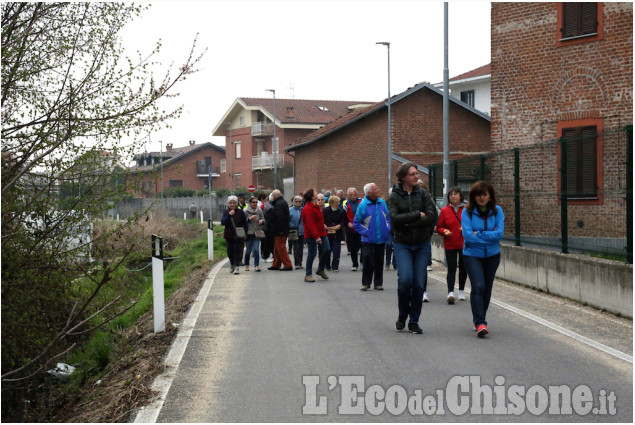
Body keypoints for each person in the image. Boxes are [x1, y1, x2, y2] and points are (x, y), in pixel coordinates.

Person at [389, 162, 436, 334]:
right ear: (403, 177)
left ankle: (414, 321)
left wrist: (408, 222)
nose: (417, 176)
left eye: (417, 173)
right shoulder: (394, 196)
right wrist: (417, 215)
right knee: (405, 281)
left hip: (422, 244)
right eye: (412, 174)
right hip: (402, 244)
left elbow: (432, 216)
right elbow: (394, 219)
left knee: (418, 284)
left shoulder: (423, 194)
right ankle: (403, 315)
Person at [462, 181, 505, 337]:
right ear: (473, 197)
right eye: (478, 195)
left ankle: (480, 318)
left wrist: (478, 234)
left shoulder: (497, 211)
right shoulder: (466, 212)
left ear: (490, 196)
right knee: (478, 286)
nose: (481, 198)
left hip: (492, 255)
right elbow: (467, 236)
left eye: (484, 194)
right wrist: (488, 236)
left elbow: (499, 234)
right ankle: (480, 322)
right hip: (472, 255)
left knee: (487, 288)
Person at [354, 183, 391, 291]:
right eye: (375, 189)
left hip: (381, 238)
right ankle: (366, 282)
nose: (378, 190)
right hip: (367, 239)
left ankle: (378, 283)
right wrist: (366, 232)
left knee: (379, 260)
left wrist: (387, 228)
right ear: (369, 193)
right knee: (368, 259)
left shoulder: (382, 203)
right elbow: (356, 222)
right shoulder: (363, 205)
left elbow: (388, 217)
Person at [437, 186, 467, 303]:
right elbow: (439, 227)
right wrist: (444, 231)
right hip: (450, 243)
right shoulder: (445, 211)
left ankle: (461, 290)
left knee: (464, 268)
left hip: (464, 243)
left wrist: (465, 228)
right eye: (451, 194)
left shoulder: (466, 209)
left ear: (460, 196)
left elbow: (473, 224)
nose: (453, 196)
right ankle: (450, 291)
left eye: (455, 194)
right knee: (452, 267)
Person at [301, 188, 331, 282]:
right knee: (312, 253)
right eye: (315, 193)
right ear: (312, 196)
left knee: (327, 250)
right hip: (311, 234)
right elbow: (311, 224)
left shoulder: (316, 206)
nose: (317, 193)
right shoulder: (308, 208)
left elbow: (318, 219)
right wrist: (316, 237)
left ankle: (320, 269)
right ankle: (308, 274)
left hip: (321, 232)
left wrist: (323, 224)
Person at [418, 180, 438, 302]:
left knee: (422, 267)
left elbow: (434, 217)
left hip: (424, 238)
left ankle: (423, 291)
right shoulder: (406, 202)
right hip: (408, 239)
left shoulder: (429, 203)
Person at [220, 195, 248, 275]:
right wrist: (229, 215)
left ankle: (236, 267)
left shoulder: (240, 212)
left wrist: (245, 233)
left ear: (236, 203)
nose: (232, 204)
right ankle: (232, 264)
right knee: (229, 252)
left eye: (234, 203)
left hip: (238, 235)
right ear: (228, 204)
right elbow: (223, 222)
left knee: (236, 251)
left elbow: (245, 223)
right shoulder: (225, 212)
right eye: (230, 203)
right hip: (228, 235)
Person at [267, 189, 293, 271]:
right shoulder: (282, 203)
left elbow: (280, 219)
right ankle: (276, 264)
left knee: (281, 248)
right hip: (281, 229)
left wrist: (280, 230)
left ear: (274, 196)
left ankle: (288, 265)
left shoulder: (278, 204)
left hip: (279, 230)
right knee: (277, 248)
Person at [322, 195, 347, 272]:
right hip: (327, 234)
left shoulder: (341, 211)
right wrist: (324, 225)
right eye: (336, 203)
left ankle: (335, 266)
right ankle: (327, 265)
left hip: (337, 234)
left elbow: (343, 221)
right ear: (331, 203)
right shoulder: (325, 211)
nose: (338, 204)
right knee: (327, 250)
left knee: (336, 251)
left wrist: (339, 225)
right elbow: (321, 220)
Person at [243, 196, 265, 272]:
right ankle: (247, 265)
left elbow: (263, 219)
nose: (255, 203)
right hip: (249, 233)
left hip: (257, 232)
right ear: (250, 203)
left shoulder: (259, 210)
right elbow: (243, 222)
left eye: (256, 202)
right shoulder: (246, 211)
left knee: (256, 249)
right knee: (248, 250)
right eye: (254, 202)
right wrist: (249, 219)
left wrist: (262, 221)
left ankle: (257, 265)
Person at [344, 187, 362, 271]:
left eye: (354, 194)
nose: (353, 196)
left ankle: (362, 261)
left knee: (363, 246)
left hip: (361, 228)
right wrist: (348, 223)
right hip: (351, 229)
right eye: (351, 195)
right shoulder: (345, 205)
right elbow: (343, 217)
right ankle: (355, 263)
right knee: (353, 247)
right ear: (348, 196)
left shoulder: (361, 203)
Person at [289, 196, 305, 269]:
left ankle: (300, 262)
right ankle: (297, 263)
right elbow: (287, 220)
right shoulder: (290, 210)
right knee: (296, 247)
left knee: (301, 248)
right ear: (293, 202)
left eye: (300, 201)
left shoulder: (303, 210)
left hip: (302, 231)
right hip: (293, 231)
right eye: (296, 201)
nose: (298, 203)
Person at [261, 193, 275, 263]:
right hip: (268, 227)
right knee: (268, 242)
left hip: (266, 227)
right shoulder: (270, 207)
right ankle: (266, 256)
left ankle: (267, 255)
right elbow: (270, 219)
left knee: (268, 242)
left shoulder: (267, 205)